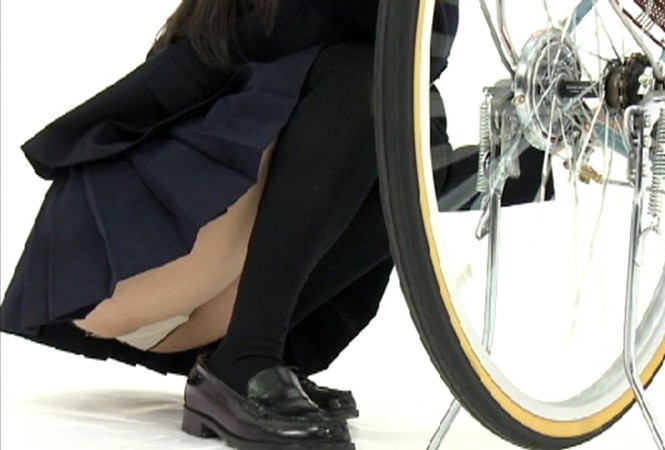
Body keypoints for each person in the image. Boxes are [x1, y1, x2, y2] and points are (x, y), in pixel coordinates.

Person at [0, 1, 463, 448]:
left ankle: (244, 353)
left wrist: (502, 166)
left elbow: (422, 69)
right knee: (373, 84)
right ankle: (247, 357)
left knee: (414, 134)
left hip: (196, 293)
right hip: (120, 256)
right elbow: (402, 40)